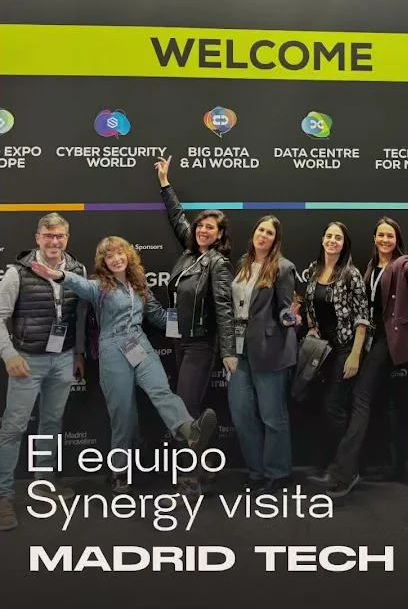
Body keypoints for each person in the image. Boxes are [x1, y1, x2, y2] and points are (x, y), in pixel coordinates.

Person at [31, 237, 217, 496]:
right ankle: (120, 473)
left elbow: (159, 317)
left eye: (120, 253)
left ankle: (189, 430)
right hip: (112, 348)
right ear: (104, 262)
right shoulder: (99, 286)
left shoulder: (139, 285)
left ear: (128, 255)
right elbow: (81, 285)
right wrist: (59, 275)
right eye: (110, 256)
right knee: (123, 414)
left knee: (161, 390)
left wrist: (192, 321)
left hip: (139, 344)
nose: (116, 259)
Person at [322, 218, 408, 500]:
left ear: (397, 240)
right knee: (380, 405)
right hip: (372, 340)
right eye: (381, 235)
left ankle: (343, 470)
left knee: (361, 398)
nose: (385, 240)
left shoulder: (401, 263)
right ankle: (375, 465)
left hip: (390, 341)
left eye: (390, 236)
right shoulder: (370, 267)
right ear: (374, 238)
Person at [0, 214, 87, 530]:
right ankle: (3, 496)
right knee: (13, 428)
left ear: (67, 238)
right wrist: (9, 354)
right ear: (38, 238)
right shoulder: (17, 273)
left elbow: (79, 315)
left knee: (51, 423)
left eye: (60, 236)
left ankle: (44, 483)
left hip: (63, 360)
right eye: (48, 236)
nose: (54, 241)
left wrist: (78, 353)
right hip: (27, 361)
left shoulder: (77, 271)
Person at [154, 155, 237, 414]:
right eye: (200, 225)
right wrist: (165, 183)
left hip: (200, 343)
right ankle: (193, 440)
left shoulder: (219, 263)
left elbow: (225, 309)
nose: (202, 230)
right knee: (185, 408)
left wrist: (228, 351)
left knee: (184, 406)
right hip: (179, 339)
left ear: (220, 234)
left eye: (210, 227)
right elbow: (177, 217)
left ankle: (190, 441)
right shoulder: (190, 253)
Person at [227, 216, 297, 495]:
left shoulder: (283, 267)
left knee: (272, 416)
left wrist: (289, 318)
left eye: (270, 233)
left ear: (275, 239)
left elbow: (284, 308)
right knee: (241, 414)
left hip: (270, 349)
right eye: (261, 230)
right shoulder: (242, 263)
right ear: (254, 233)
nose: (264, 235)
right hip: (238, 348)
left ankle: (278, 472)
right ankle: (256, 472)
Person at [302, 222, 369, 481]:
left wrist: (355, 355)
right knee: (326, 407)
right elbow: (310, 305)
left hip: (345, 348)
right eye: (329, 236)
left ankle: (347, 468)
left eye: (337, 237)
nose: (332, 241)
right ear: (322, 240)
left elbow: (362, 317)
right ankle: (333, 463)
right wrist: (311, 327)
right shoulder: (313, 270)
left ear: (344, 244)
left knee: (334, 405)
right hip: (322, 351)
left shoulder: (351, 274)